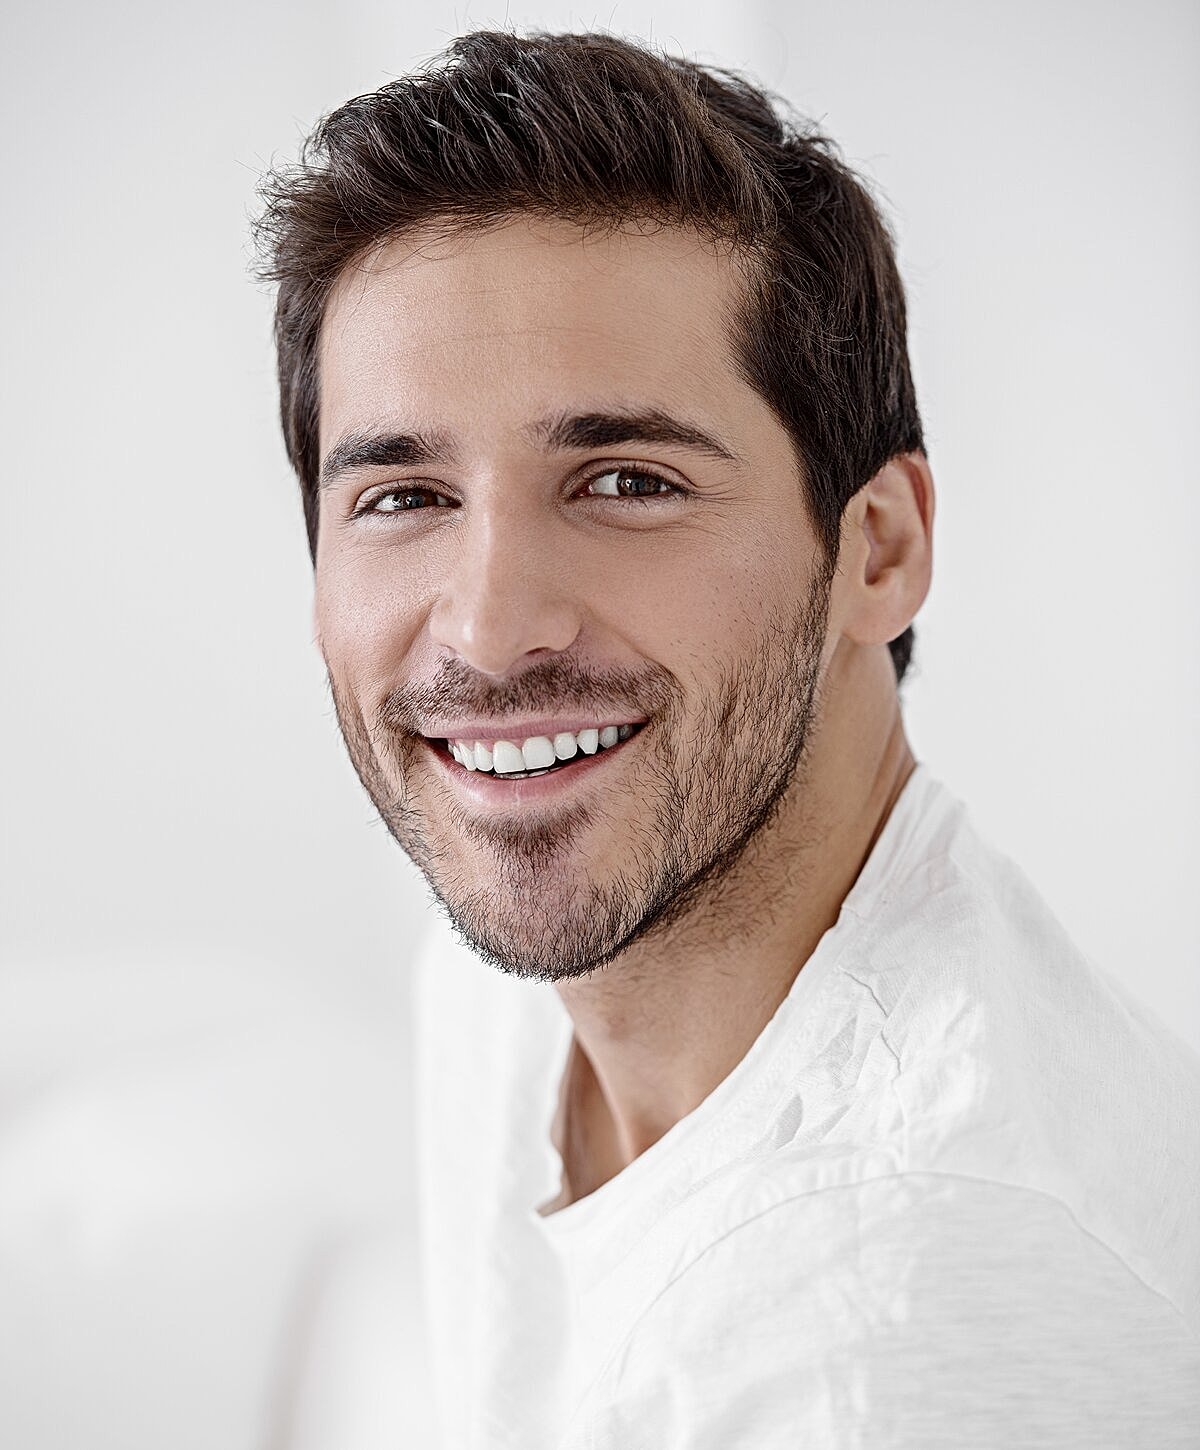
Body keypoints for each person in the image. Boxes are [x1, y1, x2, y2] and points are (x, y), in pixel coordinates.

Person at [255, 29, 1200, 1448]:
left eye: (626, 480)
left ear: (876, 549)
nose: (491, 630)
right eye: (403, 496)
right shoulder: (511, 975)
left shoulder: (912, 1322)